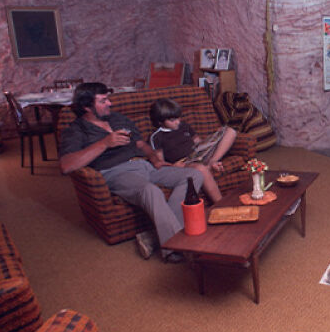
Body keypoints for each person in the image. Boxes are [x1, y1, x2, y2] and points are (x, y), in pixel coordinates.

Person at [58, 82, 206, 262]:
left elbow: (140, 144)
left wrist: (154, 159)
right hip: (116, 172)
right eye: (103, 101)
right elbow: (66, 165)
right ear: (87, 107)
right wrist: (104, 143)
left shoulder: (118, 118)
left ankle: (156, 235)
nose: (110, 103)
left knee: (194, 175)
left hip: (144, 165)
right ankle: (176, 249)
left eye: (108, 99)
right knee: (151, 191)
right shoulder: (76, 130)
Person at [148, 96, 237, 204]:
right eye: (172, 120)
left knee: (230, 131)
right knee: (201, 168)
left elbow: (199, 143)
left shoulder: (184, 126)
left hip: (198, 154)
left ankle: (213, 161)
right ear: (160, 121)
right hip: (184, 163)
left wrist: (214, 138)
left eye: (178, 118)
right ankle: (221, 204)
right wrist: (173, 166)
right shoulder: (157, 137)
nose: (177, 122)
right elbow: (160, 164)